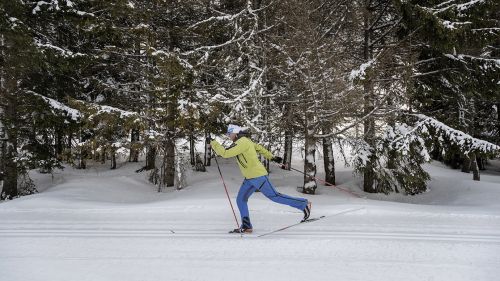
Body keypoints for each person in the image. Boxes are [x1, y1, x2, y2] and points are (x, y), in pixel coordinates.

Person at [208, 124, 311, 234]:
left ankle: (303, 204)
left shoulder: (242, 142)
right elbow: (259, 148)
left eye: (230, 133)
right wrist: (273, 157)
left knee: (274, 196)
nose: (229, 136)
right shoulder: (244, 141)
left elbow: (225, 153)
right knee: (240, 199)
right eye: (228, 134)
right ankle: (247, 226)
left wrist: (213, 142)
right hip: (249, 178)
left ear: (236, 133)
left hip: (257, 176)